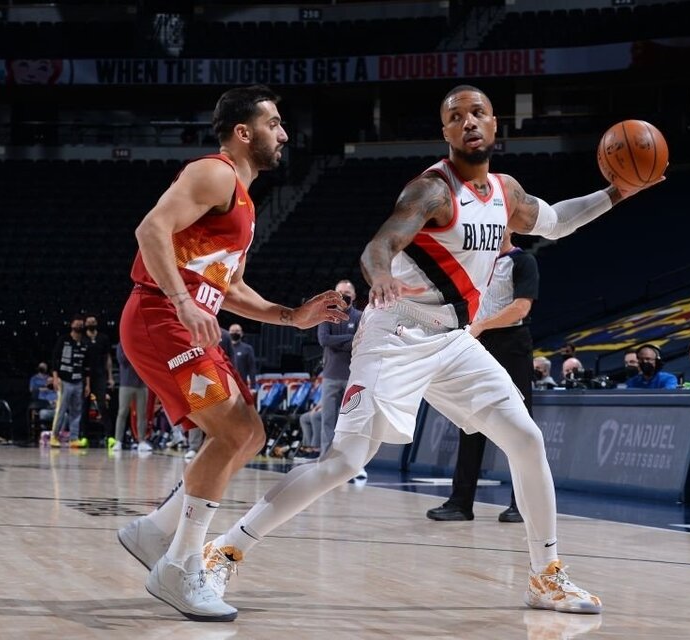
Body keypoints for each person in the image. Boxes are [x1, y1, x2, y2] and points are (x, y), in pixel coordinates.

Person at [173, 85, 662, 617]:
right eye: (455, 117)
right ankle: (225, 549)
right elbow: (379, 245)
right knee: (344, 461)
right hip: (396, 334)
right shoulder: (432, 190)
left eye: (477, 113)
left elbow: (558, 221)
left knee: (525, 438)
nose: (468, 122)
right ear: (446, 132)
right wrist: (380, 274)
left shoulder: (506, 192)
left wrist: (617, 193)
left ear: (495, 124)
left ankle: (546, 574)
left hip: (451, 340)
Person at [115, 85, 347, 622]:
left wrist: (292, 315)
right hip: (161, 316)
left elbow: (232, 288)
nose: (285, 134)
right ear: (244, 133)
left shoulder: (242, 199)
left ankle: (155, 533)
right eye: (275, 123)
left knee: (252, 432)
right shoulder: (215, 172)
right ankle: (178, 567)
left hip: (187, 321)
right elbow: (150, 228)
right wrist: (181, 301)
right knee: (235, 432)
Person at [427, 229, 538, 524]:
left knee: (519, 424)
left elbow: (521, 308)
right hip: (477, 342)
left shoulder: (522, 261)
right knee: (471, 420)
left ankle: (522, 504)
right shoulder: (477, 263)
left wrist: (480, 326)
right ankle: (461, 502)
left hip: (511, 342)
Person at [316, 279, 363, 455]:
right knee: (328, 420)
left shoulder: (360, 317)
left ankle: (350, 459)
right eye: (340, 293)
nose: (343, 296)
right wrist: (349, 339)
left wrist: (340, 342)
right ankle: (326, 458)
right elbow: (324, 340)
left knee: (351, 421)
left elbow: (360, 343)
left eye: (347, 293)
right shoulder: (326, 315)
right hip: (330, 376)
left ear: (354, 296)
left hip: (353, 377)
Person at [50, 315, 89, 447]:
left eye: (80, 324)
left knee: (76, 410)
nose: (78, 326)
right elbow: (55, 359)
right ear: (72, 324)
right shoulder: (63, 340)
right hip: (64, 380)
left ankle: (74, 438)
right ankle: (54, 436)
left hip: (78, 381)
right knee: (61, 409)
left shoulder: (84, 343)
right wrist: (55, 378)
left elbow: (86, 366)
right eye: (76, 323)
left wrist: (87, 384)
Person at [113, 342, 150, 453]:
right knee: (122, 412)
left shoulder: (143, 344)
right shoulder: (122, 344)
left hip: (142, 384)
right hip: (126, 383)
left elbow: (147, 360)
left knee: (142, 414)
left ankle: (142, 441)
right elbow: (122, 360)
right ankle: (118, 441)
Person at [83, 315, 114, 437]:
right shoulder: (82, 338)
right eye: (89, 321)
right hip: (85, 376)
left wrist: (110, 377)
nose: (91, 323)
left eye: (93, 321)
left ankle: (109, 436)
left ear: (96, 323)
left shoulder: (103, 338)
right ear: (86, 324)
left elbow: (108, 358)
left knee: (102, 405)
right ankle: (83, 436)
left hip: (100, 375)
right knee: (84, 406)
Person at [226, 323, 257, 389]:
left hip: (242, 384)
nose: (234, 333)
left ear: (241, 333)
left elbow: (252, 368)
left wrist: (253, 386)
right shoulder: (224, 348)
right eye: (232, 331)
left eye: (237, 331)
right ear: (228, 333)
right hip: (227, 383)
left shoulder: (247, 348)